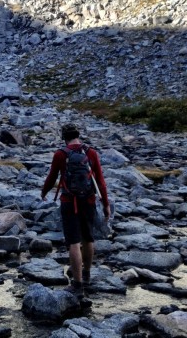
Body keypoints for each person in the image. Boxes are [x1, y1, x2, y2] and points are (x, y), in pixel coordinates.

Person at [41, 123, 111, 297]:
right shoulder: (91, 152)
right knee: (88, 238)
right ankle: (86, 274)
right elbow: (100, 180)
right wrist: (106, 204)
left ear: (64, 137)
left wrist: (44, 192)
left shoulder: (61, 154)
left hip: (69, 201)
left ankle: (77, 284)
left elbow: (52, 177)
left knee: (73, 242)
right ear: (78, 135)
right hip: (88, 200)